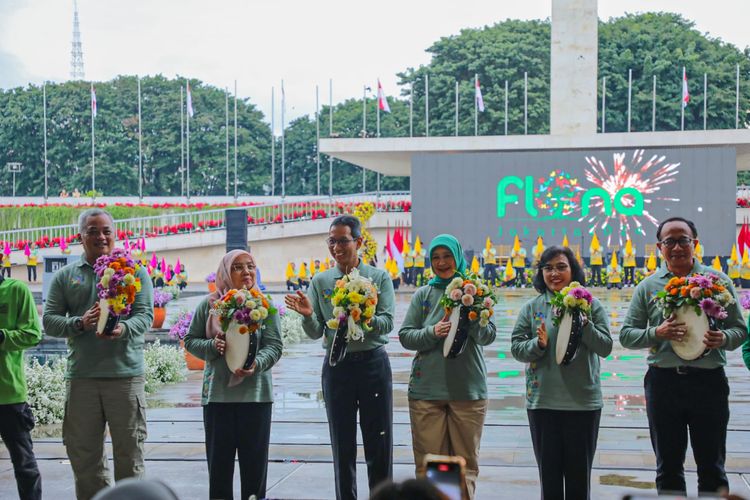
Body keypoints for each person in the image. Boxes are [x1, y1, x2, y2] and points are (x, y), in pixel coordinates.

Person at [620, 217, 747, 496]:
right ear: (659, 247)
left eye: (683, 240)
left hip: (709, 383)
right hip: (663, 383)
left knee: (712, 467)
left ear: (695, 243)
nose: (677, 247)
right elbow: (627, 335)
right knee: (668, 467)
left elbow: (740, 330)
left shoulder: (718, 281)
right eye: (670, 241)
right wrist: (657, 332)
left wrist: (723, 338)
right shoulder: (648, 287)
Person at [42, 208, 154, 500]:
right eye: (92, 231)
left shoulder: (134, 272)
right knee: (85, 457)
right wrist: (80, 323)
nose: (100, 236)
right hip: (83, 379)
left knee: (130, 456)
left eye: (106, 230)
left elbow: (145, 316)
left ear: (115, 234)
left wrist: (123, 329)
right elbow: (50, 320)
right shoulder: (66, 276)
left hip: (125, 377)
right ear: (81, 237)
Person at [285, 215, 395, 500]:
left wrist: (364, 314)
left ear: (358, 242)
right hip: (337, 367)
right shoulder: (321, 281)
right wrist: (308, 315)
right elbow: (315, 331)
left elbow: (387, 322)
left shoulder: (378, 278)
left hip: (373, 365)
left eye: (343, 240)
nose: (336, 247)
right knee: (342, 444)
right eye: (331, 241)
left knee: (379, 443)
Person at [398, 234, 496, 499]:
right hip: (427, 392)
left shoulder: (476, 290)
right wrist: (433, 331)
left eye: (447, 256)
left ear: (458, 257)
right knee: (431, 466)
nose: (442, 263)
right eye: (436, 258)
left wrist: (473, 314)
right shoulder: (424, 295)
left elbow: (489, 336)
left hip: (467, 390)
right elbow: (406, 336)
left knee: (464, 464)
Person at [511, 245, 612, 500]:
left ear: (573, 270)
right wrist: (538, 345)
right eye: (548, 268)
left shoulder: (591, 305)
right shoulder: (532, 308)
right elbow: (516, 348)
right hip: (543, 403)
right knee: (550, 481)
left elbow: (606, 347)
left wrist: (584, 323)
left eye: (561, 267)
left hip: (582, 404)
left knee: (579, 483)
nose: (554, 273)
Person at [184, 249, 283, 500]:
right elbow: (190, 340)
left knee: (255, 474)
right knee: (219, 474)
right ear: (226, 272)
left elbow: (274, 346)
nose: (246, 272)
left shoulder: (265, 305)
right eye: (238, 267)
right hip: (218, 399)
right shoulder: (209, 306)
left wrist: (256, 364)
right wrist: (211, 347)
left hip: (256, 398)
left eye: (250, 266)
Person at [0, 274, 43, 500]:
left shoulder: (16, 290)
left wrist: (1, 336)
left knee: (24, 464)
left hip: (8, 394)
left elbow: (33, 334)